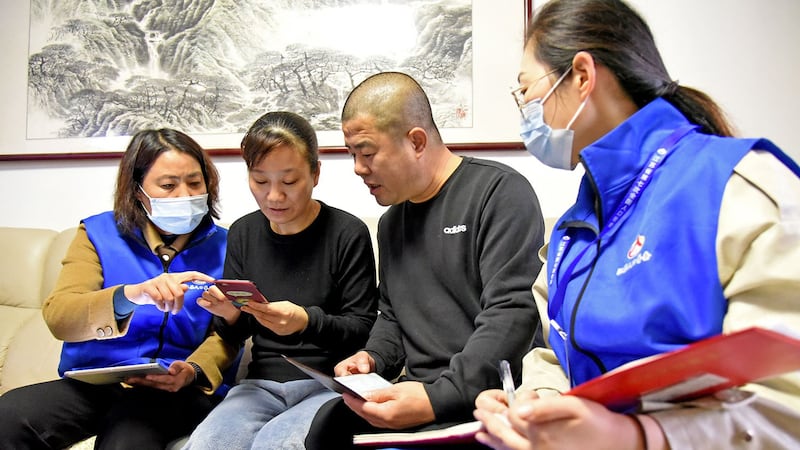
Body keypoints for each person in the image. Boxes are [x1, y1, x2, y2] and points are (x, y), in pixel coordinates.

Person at [473, 0, 800, 449]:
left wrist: (638, 437)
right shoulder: (575, 229)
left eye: (526, 91)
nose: (525, 111)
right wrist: (533, 405)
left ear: (582, 77)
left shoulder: (741, 189)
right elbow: (559, 355)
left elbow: (787, 403)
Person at [304, 71, 546, 449]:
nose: (357, 168)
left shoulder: (498, 192)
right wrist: (372, 357)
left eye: (366, 153)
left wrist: (436, 399)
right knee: (326, 427)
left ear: (416, 141)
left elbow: (513, 313)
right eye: (352, 155)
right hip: (416, 394)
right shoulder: (391, 223)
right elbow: (394, 314)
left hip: (483, 400)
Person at [0, 129, 239, 449]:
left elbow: (228, 333)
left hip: (174, 390)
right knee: (10, 415)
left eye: (195, 183)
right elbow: (60, 315)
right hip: (97, 382)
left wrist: (194, 370)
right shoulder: (96, 234)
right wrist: (132, 295)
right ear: (138, 191)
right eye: (168, 185)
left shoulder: (228, 247)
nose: (184, 194)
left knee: (126, 438)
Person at [182, 111, 378, 450]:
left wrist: (306, 321)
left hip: (328, 384)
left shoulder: (347, 233)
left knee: (278, 444)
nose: (274, 196)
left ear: (315, 173)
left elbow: (363, 328)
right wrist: (229, 315)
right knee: (206, 444)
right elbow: (234, 333)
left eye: (289, 182)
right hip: (259, 386)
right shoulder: (243, 232)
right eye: (260, 181)